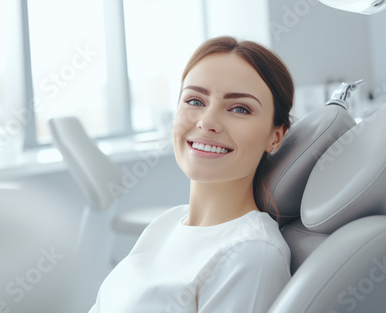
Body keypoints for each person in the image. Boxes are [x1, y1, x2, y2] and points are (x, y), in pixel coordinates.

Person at [88, 36, 294, 313]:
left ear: (276, 136)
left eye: (239, 108)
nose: (207, 122)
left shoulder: (252, 253)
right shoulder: (168, 222)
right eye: (195, 100)